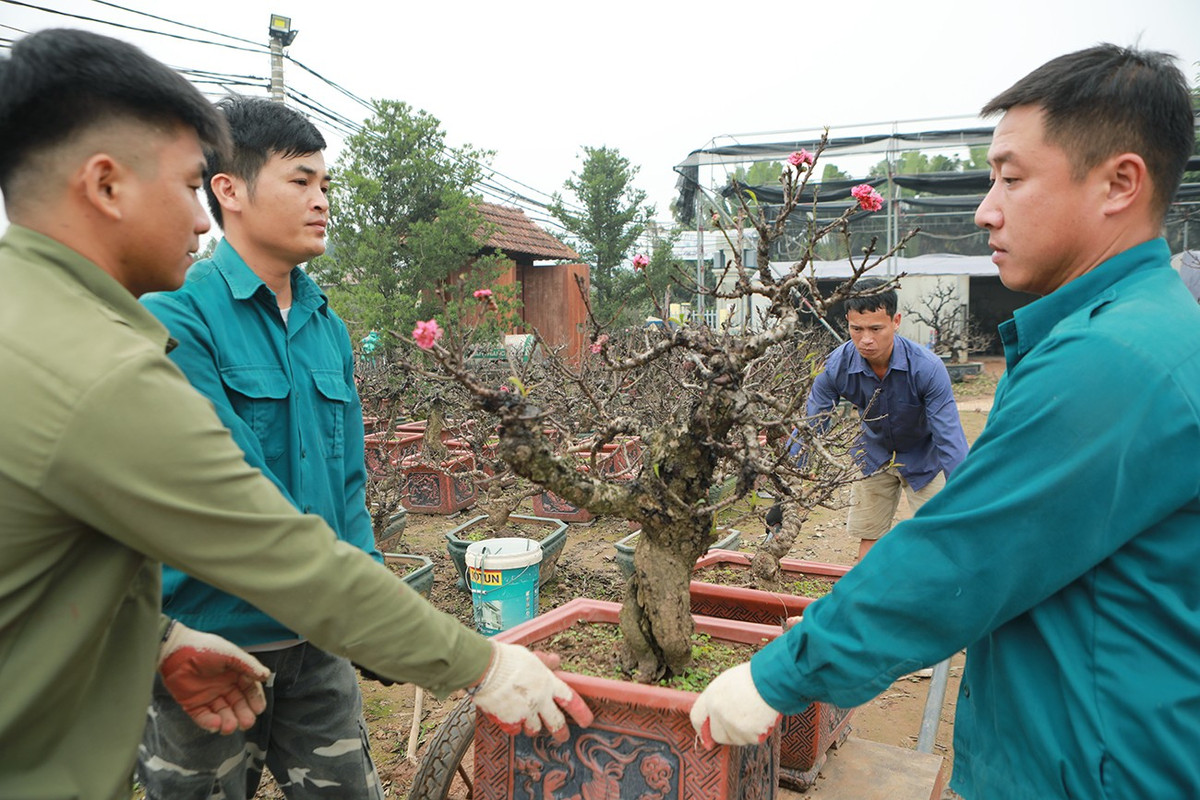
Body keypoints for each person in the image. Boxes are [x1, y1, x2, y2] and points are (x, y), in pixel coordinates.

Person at [0, 28, 590, 800]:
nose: (201, 220)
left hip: (305, 639)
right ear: (107, 185)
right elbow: (260, 531)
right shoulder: (117, 357)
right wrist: (483, 663)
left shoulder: (44, 328)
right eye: (187, 186)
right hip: (237, 628)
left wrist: (158, 639)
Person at [691, 43, 1200, 800]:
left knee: (924, 531)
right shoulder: (1145, 331)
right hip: (1075, 733)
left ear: (1120, 183)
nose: (985, 207)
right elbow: (820, 406)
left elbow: (963, 548)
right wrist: (795, 453)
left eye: (1012, 177)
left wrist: (779, 674)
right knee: (873, 539)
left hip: (1091, 769)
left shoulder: (1111, 358)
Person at [135, 97, 385, 798]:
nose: (322, 201)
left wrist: (367, 595)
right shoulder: (177, 313)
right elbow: (233, 487)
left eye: (326, 185)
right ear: (229, 190)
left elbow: (349, 482)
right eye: (300, 181)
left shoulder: (324, 323)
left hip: (318, 642)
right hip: (210, 649)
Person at [774, 278, 969, 561]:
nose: (866, 339)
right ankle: (869, 601)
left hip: (924, 457)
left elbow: (949, 438)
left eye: (876, 329)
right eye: (857, 329)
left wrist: (967, 492)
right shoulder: (835, 366)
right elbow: (811, 424)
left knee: (944, 535)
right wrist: (788, 489)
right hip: (873, 455)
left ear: (896, 321)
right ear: (848, 324)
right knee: (870, 536)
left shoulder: (927, 368)